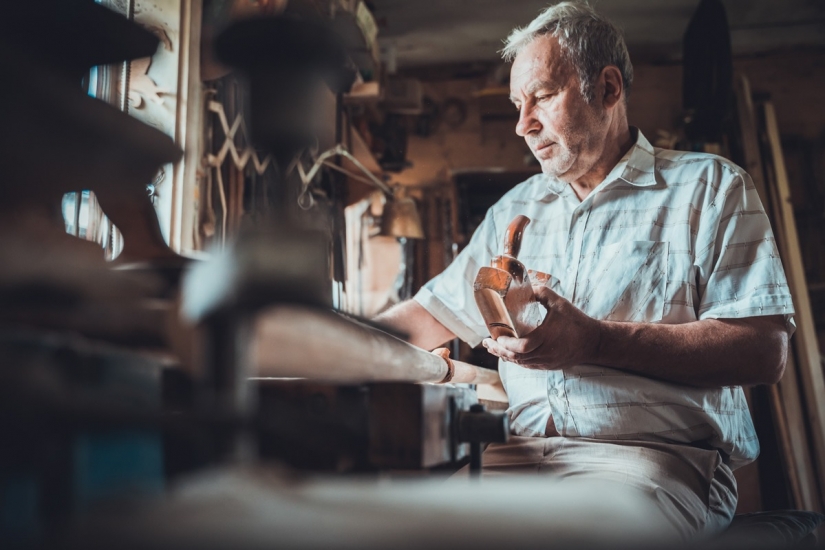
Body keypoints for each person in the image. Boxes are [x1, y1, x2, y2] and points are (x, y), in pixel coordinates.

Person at [375, 0, 795, 541]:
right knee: (402, 534)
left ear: (608, 89)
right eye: (516, 104)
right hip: (518, 455)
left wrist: (593, 342)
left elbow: (763, 351)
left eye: (543, 97)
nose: (523, 125)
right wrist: (320, 337)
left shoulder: (710, 188)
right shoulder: (513, 208)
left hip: (652, 464)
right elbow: (426, 316)